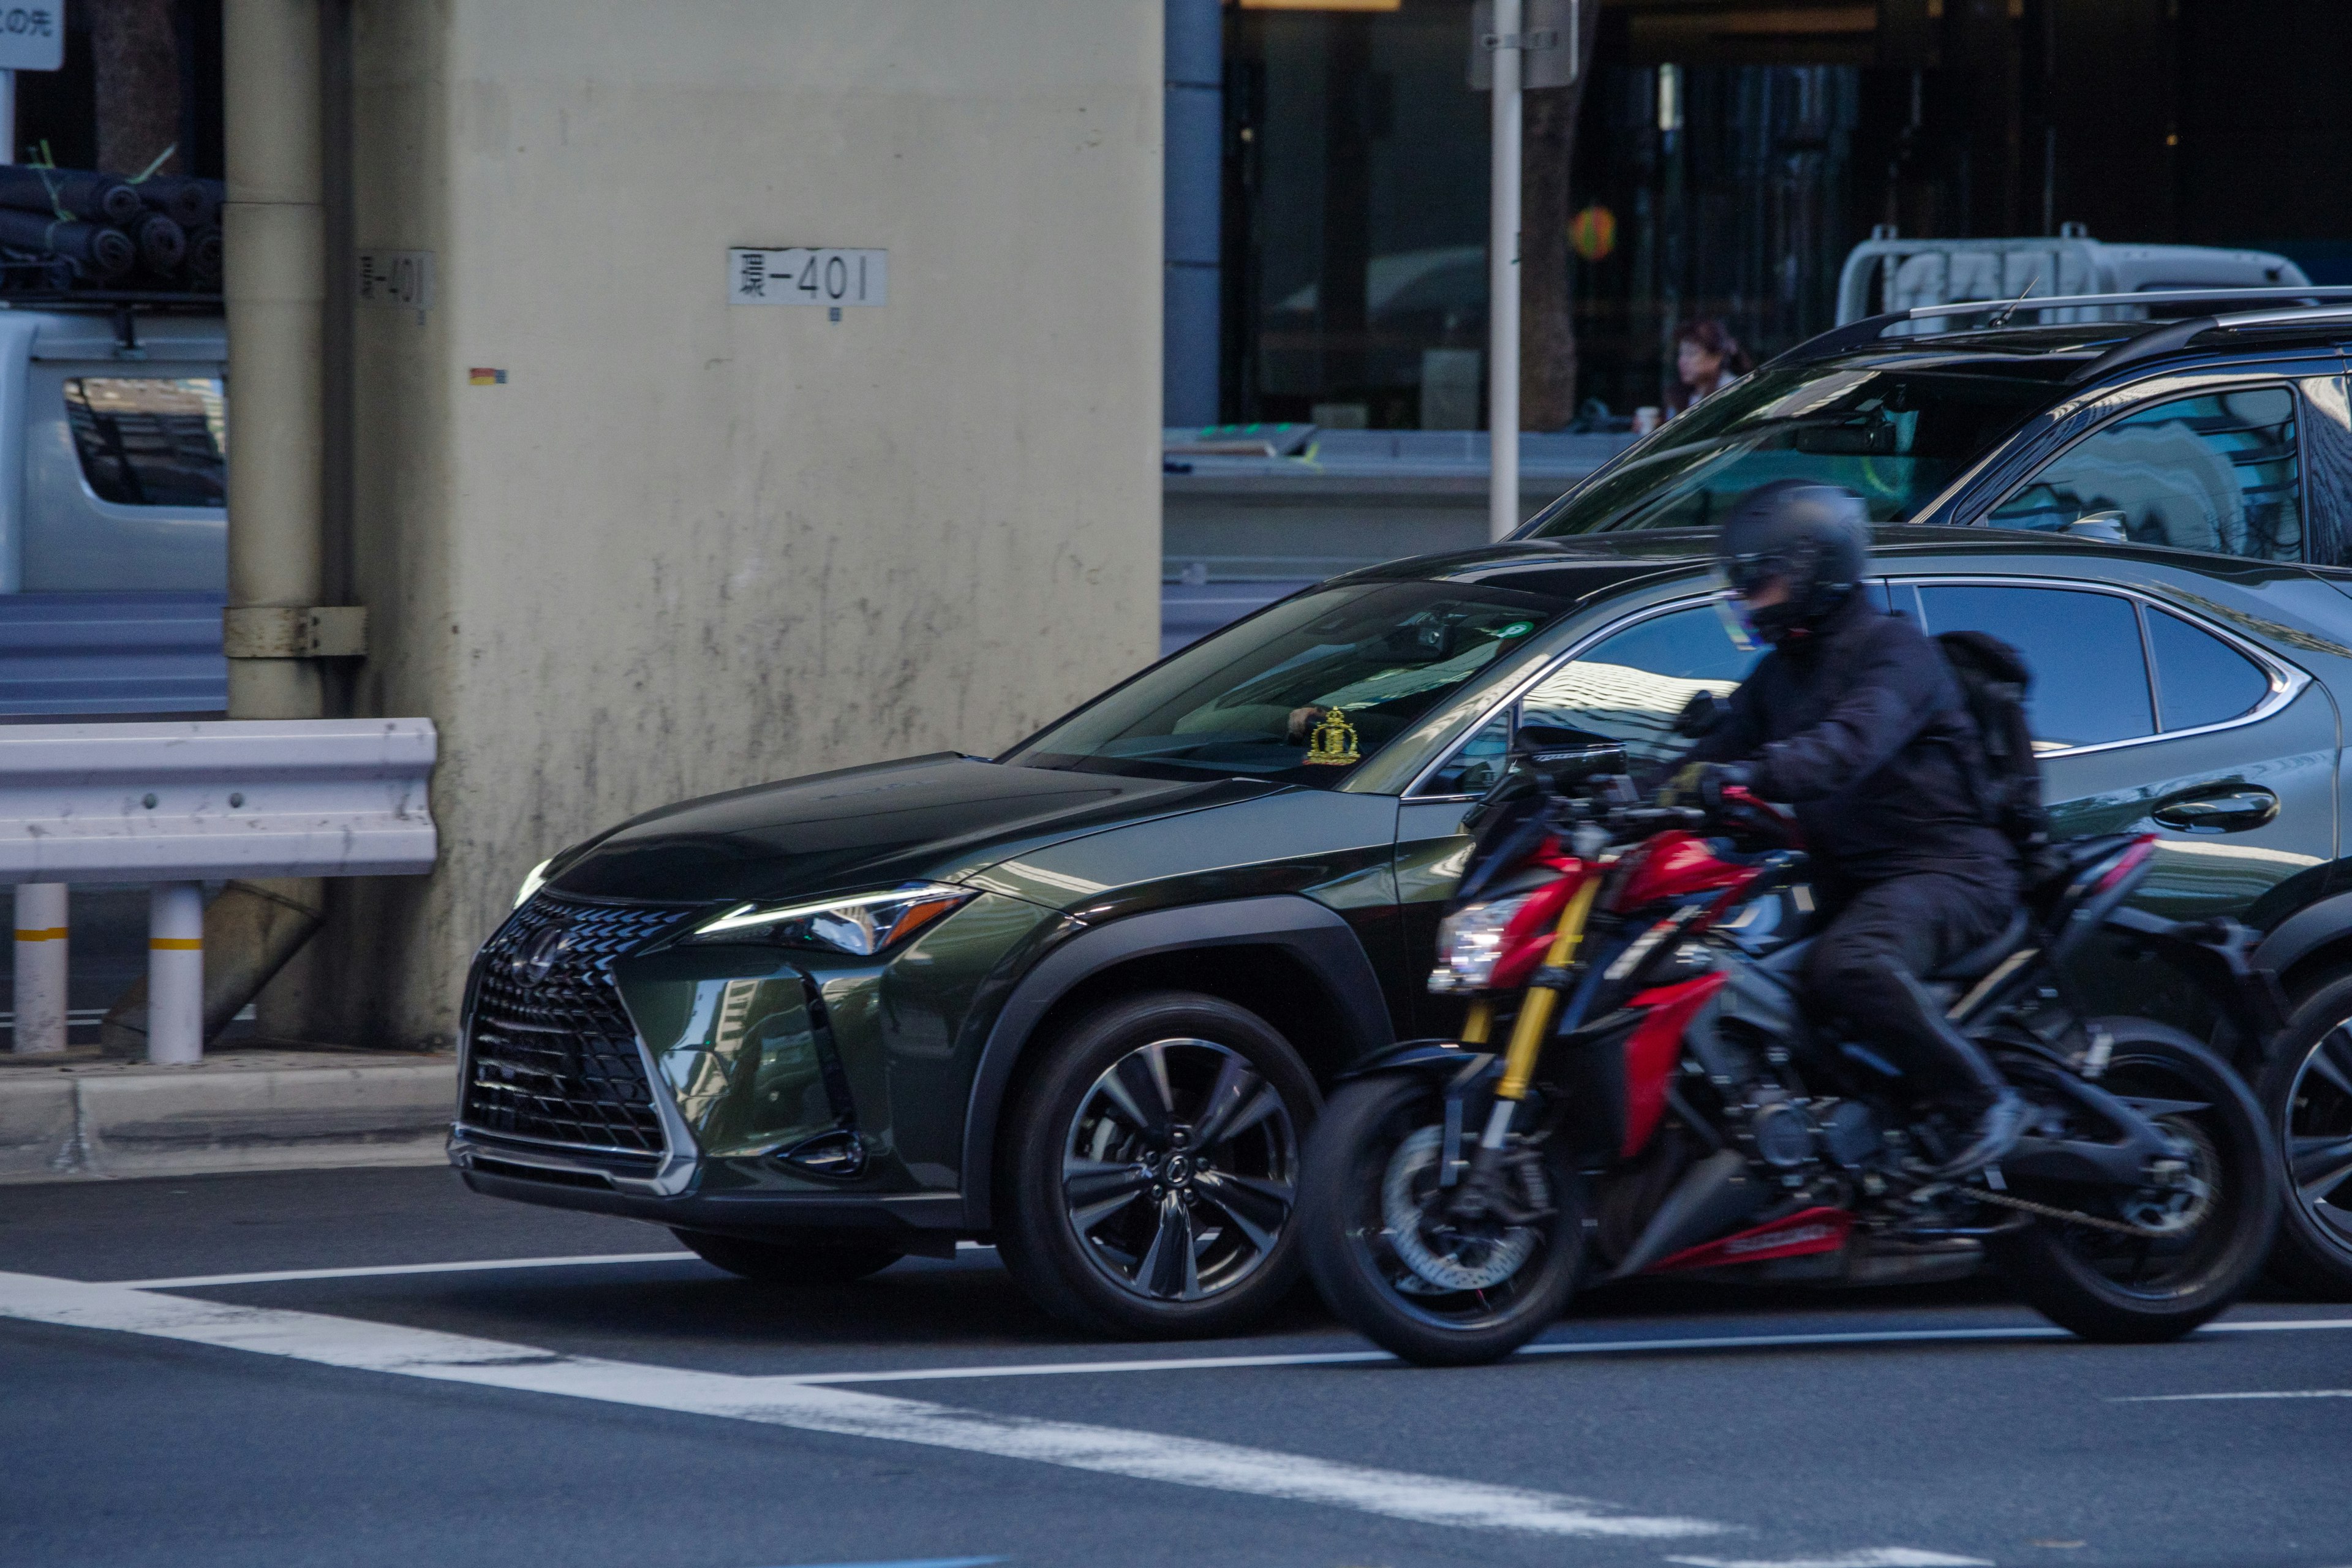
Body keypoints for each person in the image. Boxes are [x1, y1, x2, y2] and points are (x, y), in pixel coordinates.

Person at [1678, 480, 2024, 1178]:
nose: (1749, 600)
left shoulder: (1893, 652)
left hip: (1948, 870)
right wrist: (1608, 789)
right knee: (1735, 968)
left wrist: (1750, 775)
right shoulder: (1779, 674)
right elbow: (1701, 761)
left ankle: (1983, 1100)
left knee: (1851, 965)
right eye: (1744, 585)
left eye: (1763, 583)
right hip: (1849, 880)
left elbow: (1848, 745)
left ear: (1818, 572)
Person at [1665, 318, 1752, 417]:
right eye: (1681, 354)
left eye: (1691, 353)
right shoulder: (1684, 394)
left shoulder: (1733, 391)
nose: (1682, 361)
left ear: (1716, 358)